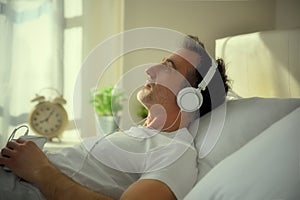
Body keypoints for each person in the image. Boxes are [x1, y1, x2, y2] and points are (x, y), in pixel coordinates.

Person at [0, 35, 230, 200]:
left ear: (190, 97)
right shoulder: (142, 135)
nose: (150, 70)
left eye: (167, 68)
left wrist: (40, 170)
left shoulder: (176, 153)